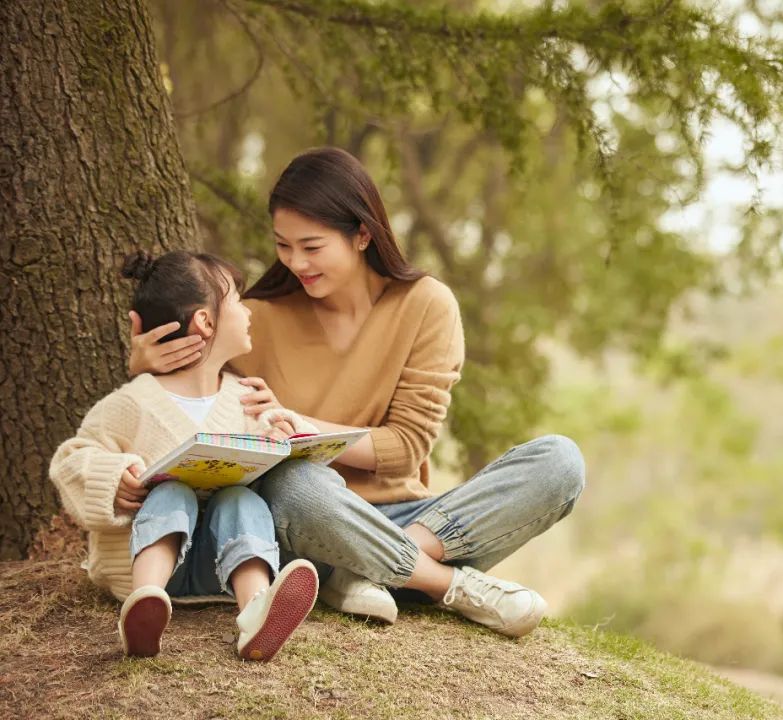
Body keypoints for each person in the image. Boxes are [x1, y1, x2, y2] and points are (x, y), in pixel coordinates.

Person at [129, 147, 586, 638]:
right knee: (294, 483)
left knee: (560, 461)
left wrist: (309, 426)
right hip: (304, 523)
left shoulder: (426, 305)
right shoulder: (255, 318)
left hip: (412, 518)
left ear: (363, 234)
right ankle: (446, 585)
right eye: (283, 245)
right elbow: (186, 401)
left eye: (312, 246)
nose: (296, 262)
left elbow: (406, 448)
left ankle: (361, 571)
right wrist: (143, 368)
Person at [51, 249, 320, 660]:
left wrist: (290, 435)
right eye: (237, 301)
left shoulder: (247, 399)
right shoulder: (134, 402)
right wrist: (113, 478)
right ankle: (145, 602)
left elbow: (287, 472)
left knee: (241, 498)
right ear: (206, 321)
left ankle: (255, 611)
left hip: (220, 567)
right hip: (145, 566)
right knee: (171, 493)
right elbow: (71, 460)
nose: (248, 312)